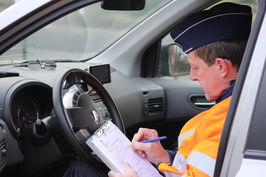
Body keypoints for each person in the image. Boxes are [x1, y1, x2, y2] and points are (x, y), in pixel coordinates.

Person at [63, 2, 252, 177]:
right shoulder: (242, 106)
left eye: (195, 67)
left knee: (79, 170)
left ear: (221, 67)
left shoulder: (227, 122)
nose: (193, 76)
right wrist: (164, 157)